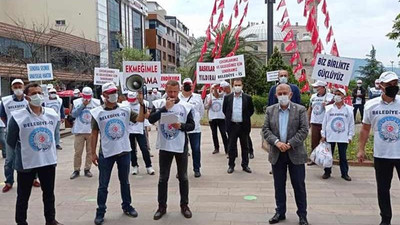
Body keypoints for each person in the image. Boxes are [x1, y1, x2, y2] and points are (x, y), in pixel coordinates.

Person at [7, 83, 63, 225]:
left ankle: (50, 220)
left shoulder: (51, 114)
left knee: (49, 194)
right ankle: (21, 221)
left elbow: (55, 133)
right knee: (23, 196)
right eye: (33, 94)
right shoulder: (18, 117)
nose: (37, 96)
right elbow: (11, 140)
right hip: (26, 163)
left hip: (48, 161)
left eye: (39, 92)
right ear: (27, 97)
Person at [90, 82, 144, 225]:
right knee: (103, 185)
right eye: (111, 92)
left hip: (124, 151)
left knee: (125, 181)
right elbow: (94, 133)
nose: (114, 94)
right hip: (106, 153)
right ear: (104, 95)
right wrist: (92, 153)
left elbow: (140, 119)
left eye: (115, 91)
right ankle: (100, 211)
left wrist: (142, 104)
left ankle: (127, 206)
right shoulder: (97, 113)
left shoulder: (125, 109)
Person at [262, 83, 309, 225]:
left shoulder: (300, 110)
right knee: (279, 185)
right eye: (279, 93)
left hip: (295, 152)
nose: (282, 96)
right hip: (277, 153)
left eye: (285, 93)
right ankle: (280, 212)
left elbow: (304, 130)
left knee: (299, 185)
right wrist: (277, 142)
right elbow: (265, 130)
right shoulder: (270, 110)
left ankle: (302, 215)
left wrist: (289, 144)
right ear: (276, 95)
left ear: (290, 95)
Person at [148, 80, 195, 220]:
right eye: (170, 92)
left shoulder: (186, 106)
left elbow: (192, 126)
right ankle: (161, 206)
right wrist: (165, 109)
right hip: (165, 147)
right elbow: (151, 119)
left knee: (183, 177)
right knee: (163, 178)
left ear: (179, 90)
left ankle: (184, 205)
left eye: (175, 91)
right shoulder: (159, 104)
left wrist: (180, 126)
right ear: (166, 90)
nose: (172, 94)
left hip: (180, 147)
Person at [358, 71, 400, 225]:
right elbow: (365, 129)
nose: (393, 87)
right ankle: (385, 218)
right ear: (381, 86)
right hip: (382, 154)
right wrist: (361, 149)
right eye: (389, 85)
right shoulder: (371, 105)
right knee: (383, 189)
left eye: (395, 84)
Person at [1, 79, 40, 193]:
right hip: (11, 134)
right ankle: (9, 181)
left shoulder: (30, 99)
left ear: (23, 87)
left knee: (33, 156)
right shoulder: (5, 101)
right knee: (9, 159)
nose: (18, 88)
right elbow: (3, 116)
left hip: (28, 132)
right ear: (12, 88)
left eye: (20, 86)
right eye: (15, 86)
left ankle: (34, 178)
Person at [321, 88, 355, 181]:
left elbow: (351, 123)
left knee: (343, 156)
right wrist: (323, 134)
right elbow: (324, 122)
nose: (337, 96)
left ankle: (344, 173)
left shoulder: (349, 109)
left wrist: (350, 135)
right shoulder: (329, 108)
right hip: (330, 135)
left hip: (343, 136)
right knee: (328, 155)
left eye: (339, 94)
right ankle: (327, 172)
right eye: (335, 94)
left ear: (343, 96)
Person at [222, 78, 254, 174]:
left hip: (243, 126)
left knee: (245, 146)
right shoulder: (228, 98)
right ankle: (231, 165)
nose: (237, 87)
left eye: (239, 85)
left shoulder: (247, 98)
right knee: (231, 146)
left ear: (242, 86)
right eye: (235, 85)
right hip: (232, 126)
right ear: (232, 86)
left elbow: (251, 111)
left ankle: (245, 165)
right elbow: (225, 110)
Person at [69, 87, 100, 179]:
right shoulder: (77, 102)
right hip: (79, 130)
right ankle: (76, 169)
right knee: (78, 152)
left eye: (88, 96)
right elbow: (73, 114)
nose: (87, 98)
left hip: (91, 131)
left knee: (90, 151)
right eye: (85, 96)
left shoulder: (96, 102)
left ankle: (87, 169)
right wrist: (83, 105)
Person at [122, 91, 155, 175]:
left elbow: (146, 116)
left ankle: (149, 166)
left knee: (144, 149)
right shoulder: (124, 105)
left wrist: (148, 125)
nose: (132, 101)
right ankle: (134, 166)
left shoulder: (143, 103)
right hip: (129, 131)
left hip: (140, 130)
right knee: (132, 149)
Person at [179, 78, 204, 177]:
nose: (187, 86)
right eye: (185, 84)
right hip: (181, 128)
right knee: (181, 150)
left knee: (196, 149)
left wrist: (196, 121)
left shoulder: (197, 97)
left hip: (195, 128)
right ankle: (181, 170)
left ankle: (196, 169)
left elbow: (201, 112)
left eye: (189, 84)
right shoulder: (178, 97)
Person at [307, 80, 334, 166]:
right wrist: (308, 119)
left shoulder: (330, 97)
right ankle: (313, 159)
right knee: (314, 142)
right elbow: (310, 108)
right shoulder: (313, 96)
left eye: (317, 87)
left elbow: (333, 108)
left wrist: (327, 105)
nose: (315, 89)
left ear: (323, 87)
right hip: (315, 122)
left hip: (325, 123)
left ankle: (326, 159)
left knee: (325, 142)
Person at [204, 84, 228, 154]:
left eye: (215, 88)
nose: (214, 89)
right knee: (214, 134)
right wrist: (208, 104)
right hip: (212, 118)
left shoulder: (222, 95)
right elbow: (205, 107)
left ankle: (227, 149)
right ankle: (216, 148)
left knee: (223, 133)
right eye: (213, 88)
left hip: (221, 117)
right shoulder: (208, 97)